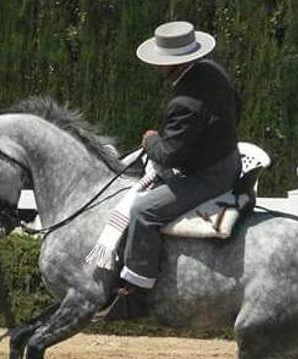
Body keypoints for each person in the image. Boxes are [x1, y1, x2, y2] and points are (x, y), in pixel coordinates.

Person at [97, 21, 242, 320]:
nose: (157, 68)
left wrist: (151, 141)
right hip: (229, 159)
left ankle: (136, 293)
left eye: (160, 63)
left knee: (142, 210)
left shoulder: (184, 101)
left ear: (171, 65)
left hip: (209, 176)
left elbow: (171, 154)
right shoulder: (215, 71)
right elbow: (238, 106)